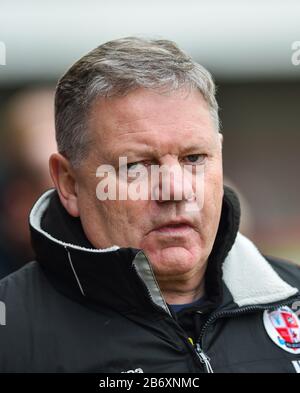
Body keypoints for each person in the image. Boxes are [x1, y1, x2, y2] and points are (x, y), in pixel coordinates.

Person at [0, 37, 299, 373]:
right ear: (69, 183)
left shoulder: (293, 300)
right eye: (136, 165)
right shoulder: (12, 332)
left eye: (194, 158)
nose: (175, 189)